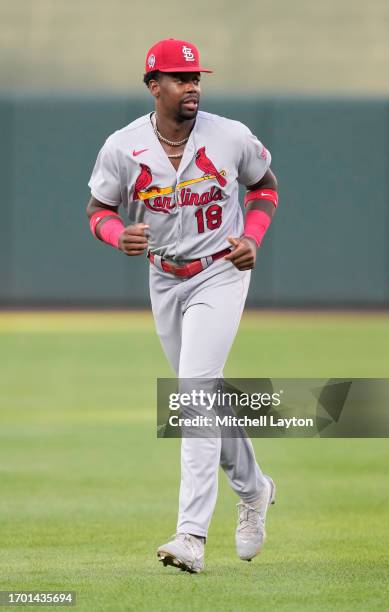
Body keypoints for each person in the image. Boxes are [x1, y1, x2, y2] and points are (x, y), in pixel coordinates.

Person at [86, 38, 279, 574]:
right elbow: (98, 208)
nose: (192, 85)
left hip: (221, 270)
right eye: (179, 77)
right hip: (165, 277)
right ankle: (255, 488)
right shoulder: (123, 146)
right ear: (154, 86)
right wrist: (114, 233)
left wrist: (254, 238)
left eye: (196, 76)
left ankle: (191, 535)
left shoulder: (230, 135)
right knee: (203, 398)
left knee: (192, 393)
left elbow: (264, 187)